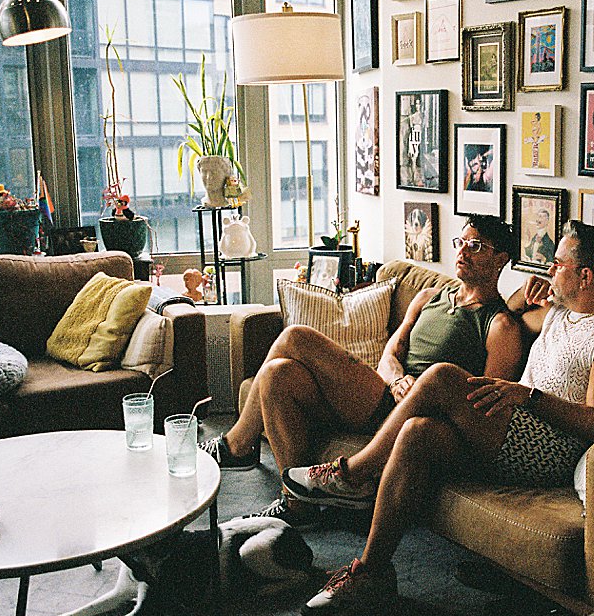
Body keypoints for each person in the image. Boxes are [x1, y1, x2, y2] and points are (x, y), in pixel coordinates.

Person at [283, 221, 594, 616]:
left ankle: (353, 473)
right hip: (511, 427)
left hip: (549, 449)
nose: (548, 271)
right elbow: (508, 316)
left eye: (557, 264)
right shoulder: (561, 313)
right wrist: (526, 299)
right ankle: (373, 574)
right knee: (417, 433)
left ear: (585, 275)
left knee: (442, 376)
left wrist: (528, 396)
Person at [196, 216, 523, 529]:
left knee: (295, 337)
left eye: (476, 246)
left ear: (500, 259)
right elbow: (390, 353)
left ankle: (237, 445)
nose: (463, 252)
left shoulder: (500, 326)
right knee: (276, 375)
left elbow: (483, 411)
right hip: (384, 395)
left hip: (412, 417)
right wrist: (397, 379)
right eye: (461, 242)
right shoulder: (428, 297)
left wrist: (419, 395)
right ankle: (297, 505)